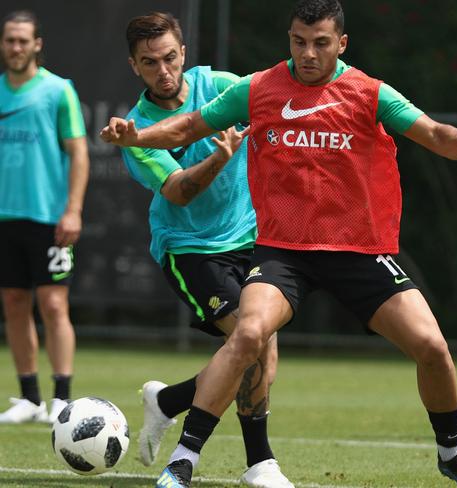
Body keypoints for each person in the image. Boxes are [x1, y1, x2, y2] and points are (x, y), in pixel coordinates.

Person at [102, 1, 457, 487]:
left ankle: (452, 455)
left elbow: (436, 134)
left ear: (342, 44)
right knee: (249, 336)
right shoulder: (259, 88)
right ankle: (184, 459)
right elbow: (188, 128)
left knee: (433, 347)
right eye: (298, 41)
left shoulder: (369, 92)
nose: (307, 53)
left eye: (320, 43)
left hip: (355, 248)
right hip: (282, 249)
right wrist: (136, 134)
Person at [119, 12, 292, 488]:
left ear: (185, 54)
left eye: (170, 57)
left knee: (260, 348)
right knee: (251, 341)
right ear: (134, 66)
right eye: (149, 62)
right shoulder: (136, 130)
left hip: (253, 237)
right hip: (191, 247)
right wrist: (220, 156)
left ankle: (170, 403)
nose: (163, 70)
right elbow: (178, 191)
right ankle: (259, 461)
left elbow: (276, 106)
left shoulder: (219, 86)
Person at [0, 10, 89, 425]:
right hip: (5, 218)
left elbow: (79, 153)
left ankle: (61, 398)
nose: (15, 47)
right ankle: (29, 398)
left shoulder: (58, 91)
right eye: (9, 40)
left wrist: (72, 210)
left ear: (37, 45)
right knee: (14, 302)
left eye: (23, 40)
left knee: (54, 305)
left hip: (48, 218)